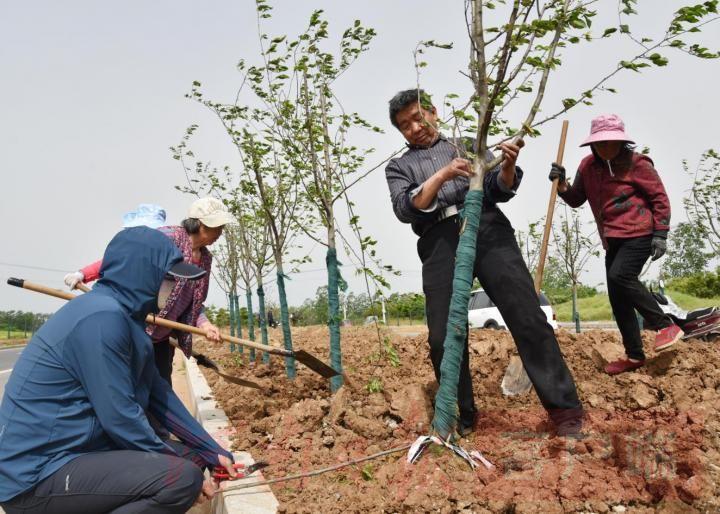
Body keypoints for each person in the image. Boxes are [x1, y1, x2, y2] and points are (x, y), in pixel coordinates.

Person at [385, 89, 583, 436]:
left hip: (487, 226)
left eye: (418, 117)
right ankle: (462, 413)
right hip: (438, 239)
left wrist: (506, 164)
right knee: (442, 336)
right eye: (404, 125)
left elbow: (498, 188)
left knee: (527, 316)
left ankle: (565, 411)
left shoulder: (466, 145)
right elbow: (406, 208)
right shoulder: (399, 166)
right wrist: (443, 175)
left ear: (434, 112)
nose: (414, 128)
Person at [0, 227, 237, 514]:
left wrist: (212, 450)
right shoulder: (101, 319)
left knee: (193, 459)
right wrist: (187, 475)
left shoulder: (131, 323)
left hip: (77, 454)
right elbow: (121, 418)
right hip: (36, 474)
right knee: (181, 477)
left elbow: (158, 395)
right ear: (143, 274)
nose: (176, 288)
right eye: (170, 279)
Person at [549, 114, 684, 375]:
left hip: (640, 232)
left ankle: (665, 325)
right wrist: (562, 184)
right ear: (592, 145)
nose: (605, 148)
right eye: (600, 144)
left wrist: (661, 234)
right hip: (612, 240)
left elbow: (660, 199)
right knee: (618, 298)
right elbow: (576, 199)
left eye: (611, 142)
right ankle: (634, 355)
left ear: (622, 143)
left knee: (621, 275)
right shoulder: (588, 167)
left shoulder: (638, 163)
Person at [64, 197, 234, 384]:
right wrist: (83, 274)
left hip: (163, 335)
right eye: (217, 227)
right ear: (201, 225)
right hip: (137, 326)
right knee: (128, 383)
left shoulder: (205, 259)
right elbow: (124, 257)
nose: (220, 232)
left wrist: (205, 324)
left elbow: (195, 302)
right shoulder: (167, 237)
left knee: (160, 384)